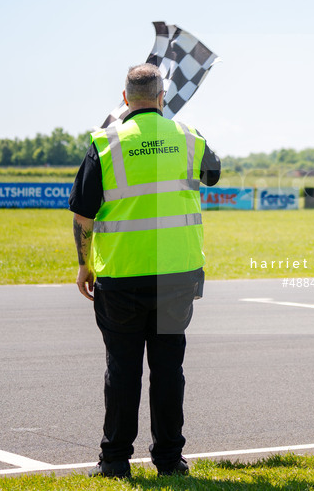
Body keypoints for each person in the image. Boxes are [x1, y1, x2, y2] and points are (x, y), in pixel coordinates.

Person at [69, 63, 221, 479]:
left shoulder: (105, 143)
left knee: (122, 370)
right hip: (176, 276)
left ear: (124, 100)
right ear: (162, 96)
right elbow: (213, 174)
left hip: (121, 275)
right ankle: (170, 461)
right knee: (168, 370)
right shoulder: (188, 137)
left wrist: (84, 265)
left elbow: (83, 216)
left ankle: (116, 461)